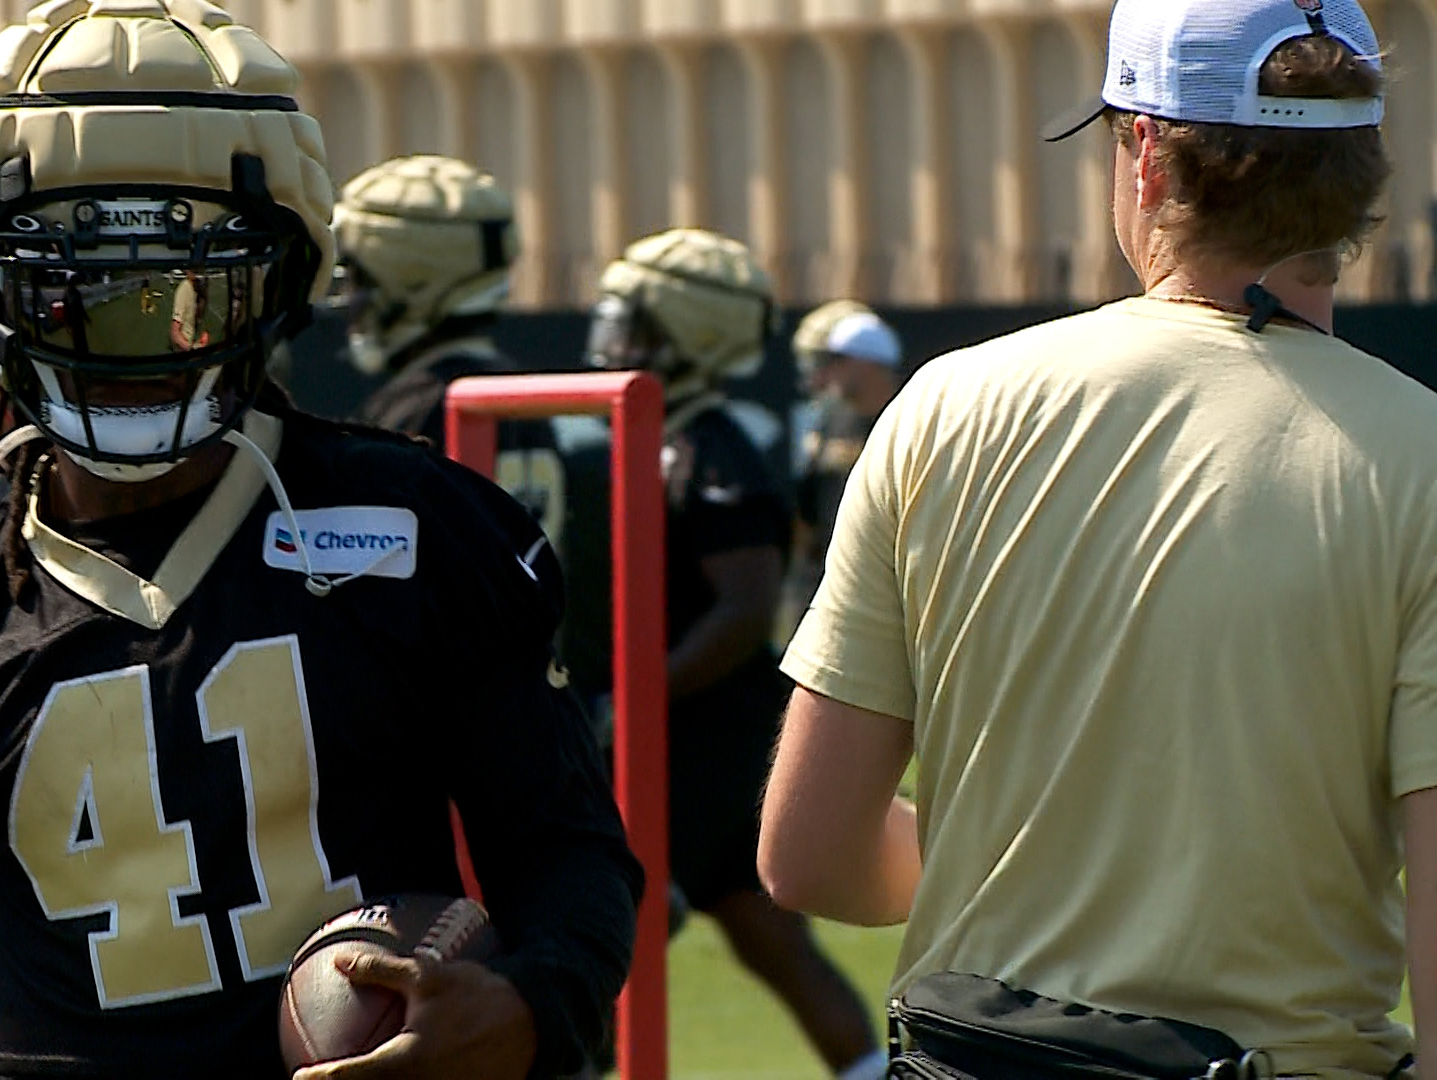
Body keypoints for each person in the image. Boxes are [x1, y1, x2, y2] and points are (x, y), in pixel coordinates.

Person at [0, 5, 641, 1079]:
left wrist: (531, 1005)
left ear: (283, 285)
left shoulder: (422, 532)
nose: (134, 347)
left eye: (190, 293)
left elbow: (566, 852)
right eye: (74, 294)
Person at [759, 1, 1431, 1076]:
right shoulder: (1423, 459)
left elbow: (814, 858)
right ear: (1361, 173)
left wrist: (1036, 859)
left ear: (1149, 154)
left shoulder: (944, 408)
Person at [585, 229, 883, 1080]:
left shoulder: (711, 445)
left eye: (635, 319)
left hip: (699, 739)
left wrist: (632, 699)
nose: (611, 335)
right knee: (769, 941)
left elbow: (746, 608)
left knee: (603, 924)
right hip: (693, 732)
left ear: (691, 329)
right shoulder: (654, 428)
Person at [332, 155, 566, 545]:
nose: (348, 298)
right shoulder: (519, 393)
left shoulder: (419, 408)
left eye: (358, 279)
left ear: (411, 283)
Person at [785, 302, 904, 626]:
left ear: (867, 363)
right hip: (825, 588)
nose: (825, 373)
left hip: (884, 589)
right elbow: (807, 514)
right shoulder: (825, 421)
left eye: (835, 360)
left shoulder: (907, 418)